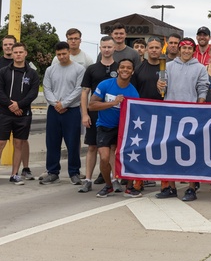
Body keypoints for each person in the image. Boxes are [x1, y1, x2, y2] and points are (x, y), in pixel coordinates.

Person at [155, 37, 209, 201]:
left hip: (191, 114)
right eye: (183, 48)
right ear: (179, 49)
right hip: (171, 114)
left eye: (189, 48)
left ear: (193, 50)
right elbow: (161, 87)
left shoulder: (200, 68)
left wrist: (199, 107)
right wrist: (159, 86)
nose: (186, 51)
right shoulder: (168, 66)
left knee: (191, 153)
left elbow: (202, 89)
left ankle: (191, 188)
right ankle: (171, 187)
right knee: (169, 151)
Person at [0, 42, 39, 186]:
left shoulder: (32, 74)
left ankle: (15, 174)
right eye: (15, 52)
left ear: (25, 53)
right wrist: (11, 105)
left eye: (21, 52)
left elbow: (33, 93)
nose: (18, 54)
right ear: (12, 54)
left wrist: (19, 105)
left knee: (19, 144)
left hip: (23, 114)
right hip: (4, 114)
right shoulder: (3, 72)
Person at [88, 58, 140, 197]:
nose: (125, 70)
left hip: (123, 129)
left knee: (128, 157)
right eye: (122, 67)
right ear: (118, 69)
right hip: (105, 126)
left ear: (132, 71)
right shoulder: (105, 85)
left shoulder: (133, 92)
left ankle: (129, 187)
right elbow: (91, 105)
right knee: (104, 158)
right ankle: (108, 185)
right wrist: (113, 103)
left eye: (128, 68)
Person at [39, 41, 86, 186]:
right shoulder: (50, 70)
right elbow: (47, 89)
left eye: (64, 54)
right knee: (52, 142)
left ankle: (74, 172)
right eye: (59, 54)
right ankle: (53, 172)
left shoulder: (79, 69)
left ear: (69, 52)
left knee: (72, 142)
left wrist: (64, 104)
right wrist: (56, 104)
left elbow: (79, 89)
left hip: (72, 110)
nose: (61, 57)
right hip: (54, 110)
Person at [79, 36, 119, 192]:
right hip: (95, 114)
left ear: (114, 48)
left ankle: (115, 179)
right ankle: (88, 179)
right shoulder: (92, 69)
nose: (107, 50)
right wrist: (84, 114)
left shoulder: (120, 68)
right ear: (100, 48)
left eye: (110, 47)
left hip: (114, 115)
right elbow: (84, 93)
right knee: (92, 147)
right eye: (104, 47)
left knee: (112, 148)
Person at [133, 36, 166, 100]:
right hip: (143, 107)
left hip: (162, 107)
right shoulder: (138, 69)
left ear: (161, 49)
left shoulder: (167, 69)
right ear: (146, 49)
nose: (154, 50)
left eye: (157, 48)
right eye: (151, 48)